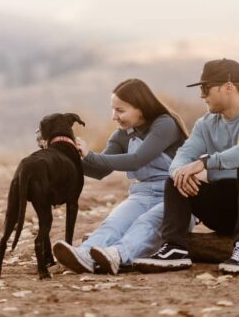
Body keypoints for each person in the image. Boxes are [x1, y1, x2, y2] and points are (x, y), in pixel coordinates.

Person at [132, 58, 239, 274]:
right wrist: (181, 172)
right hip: (228, 212)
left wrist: (206, 162)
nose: (202, 95)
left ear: (228, 87)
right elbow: (183, 155)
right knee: (177, 177)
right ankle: (175, 249)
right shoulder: (205, 124)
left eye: (206, 89)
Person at [51, 78, 189, 275]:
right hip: (141, 194)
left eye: (120, 110)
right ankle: (85, 254)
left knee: (147, 222)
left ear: (140, 108)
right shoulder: (121, 135)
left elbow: (136, 160)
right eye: (113, 109)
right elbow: (100, 170)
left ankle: (118, 255)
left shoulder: (164, 124)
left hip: (178, 197)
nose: (113, 116)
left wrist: (91, 155)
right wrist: (67, 158)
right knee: (114, 222)